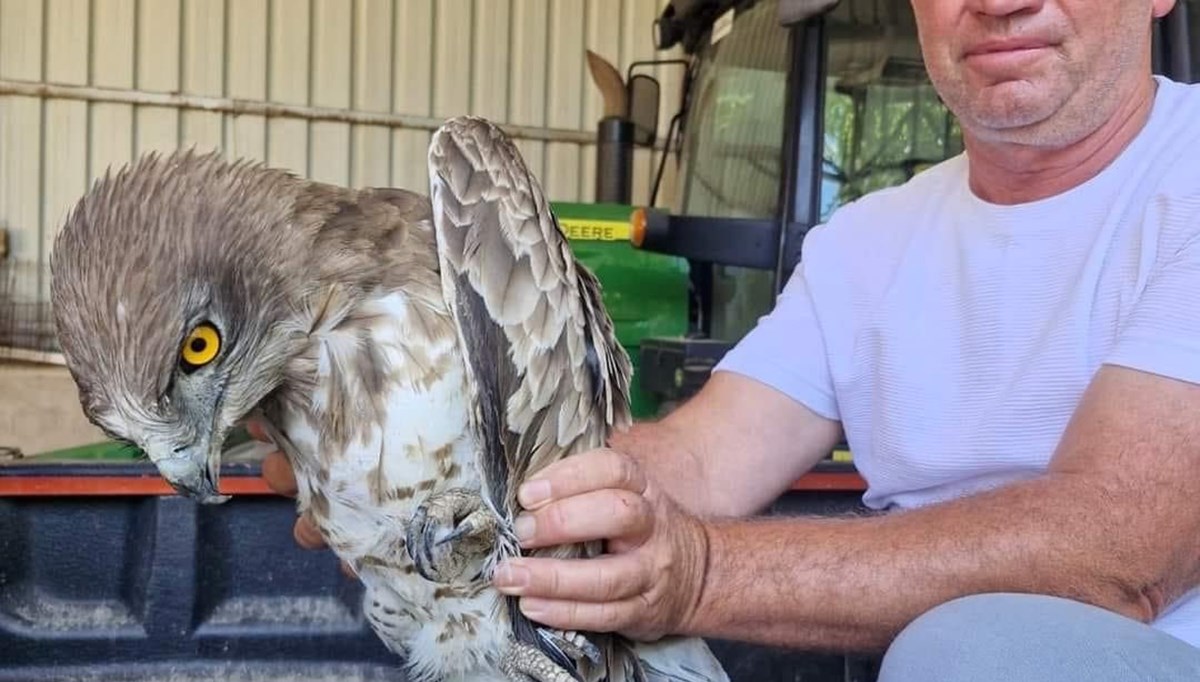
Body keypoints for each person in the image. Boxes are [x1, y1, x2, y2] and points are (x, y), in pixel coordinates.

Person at [257, 0, 1200, 678]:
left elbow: (1114, 557)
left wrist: (696, 574)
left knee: (977, 653)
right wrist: (430, 487)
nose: (1001, 4)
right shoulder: (870, 242)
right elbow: (696, 463)